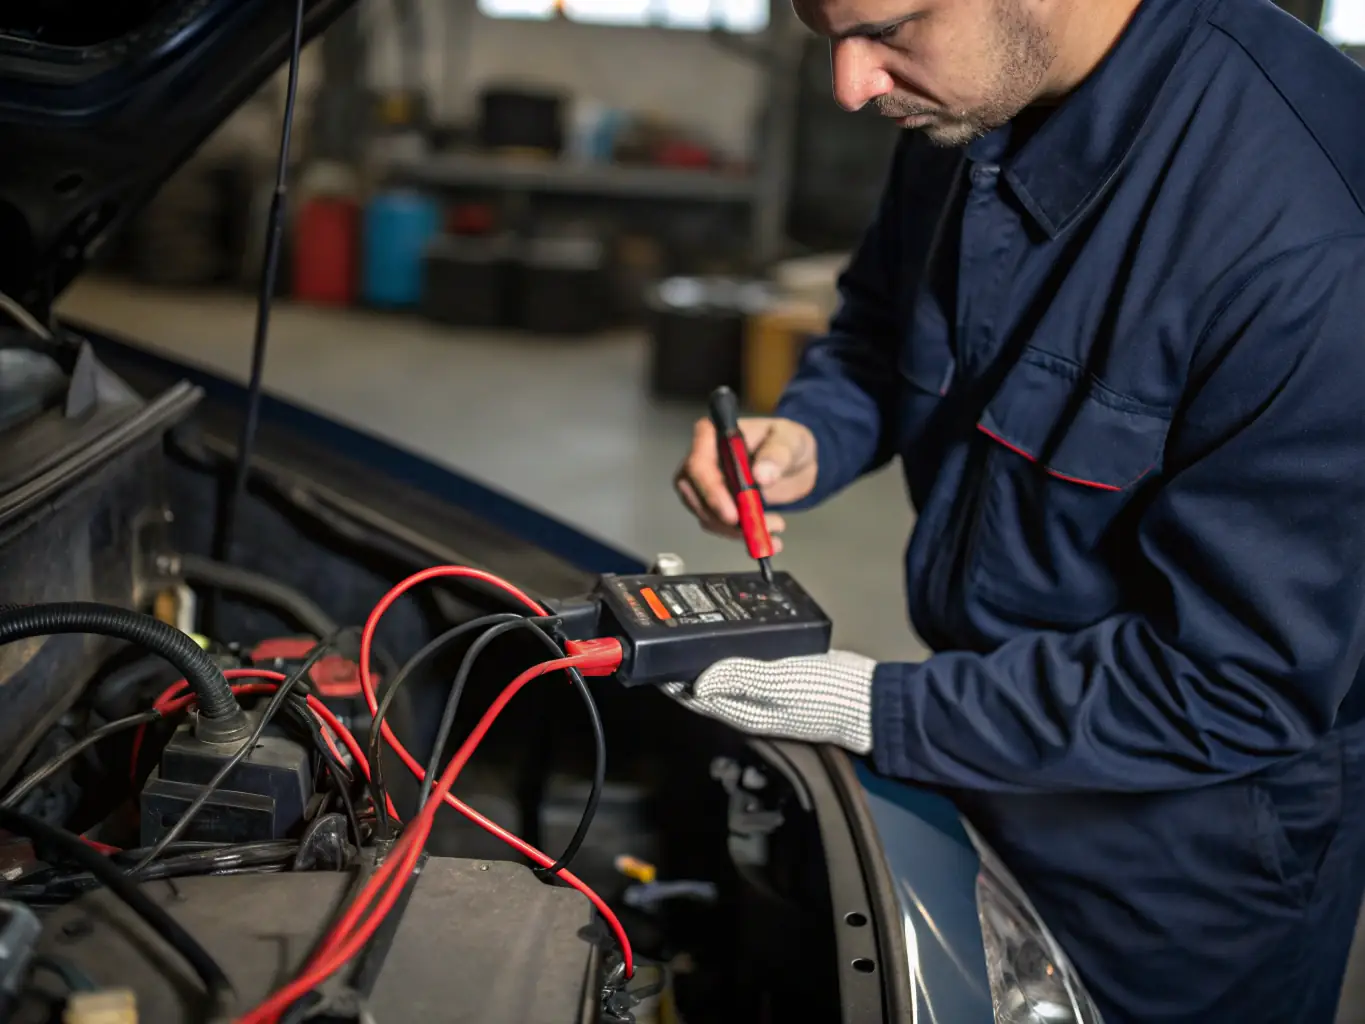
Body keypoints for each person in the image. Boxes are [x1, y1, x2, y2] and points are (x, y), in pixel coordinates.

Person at [669, 0, 1365, 1019]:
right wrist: (811, 435)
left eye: (889, 29)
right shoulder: (966, 96)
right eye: (824, 33)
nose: (850, 85)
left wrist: (882, 708)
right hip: (983, 743)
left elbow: (1237, 680)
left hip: (1186, 861)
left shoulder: (1312, 241)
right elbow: (880, 325)